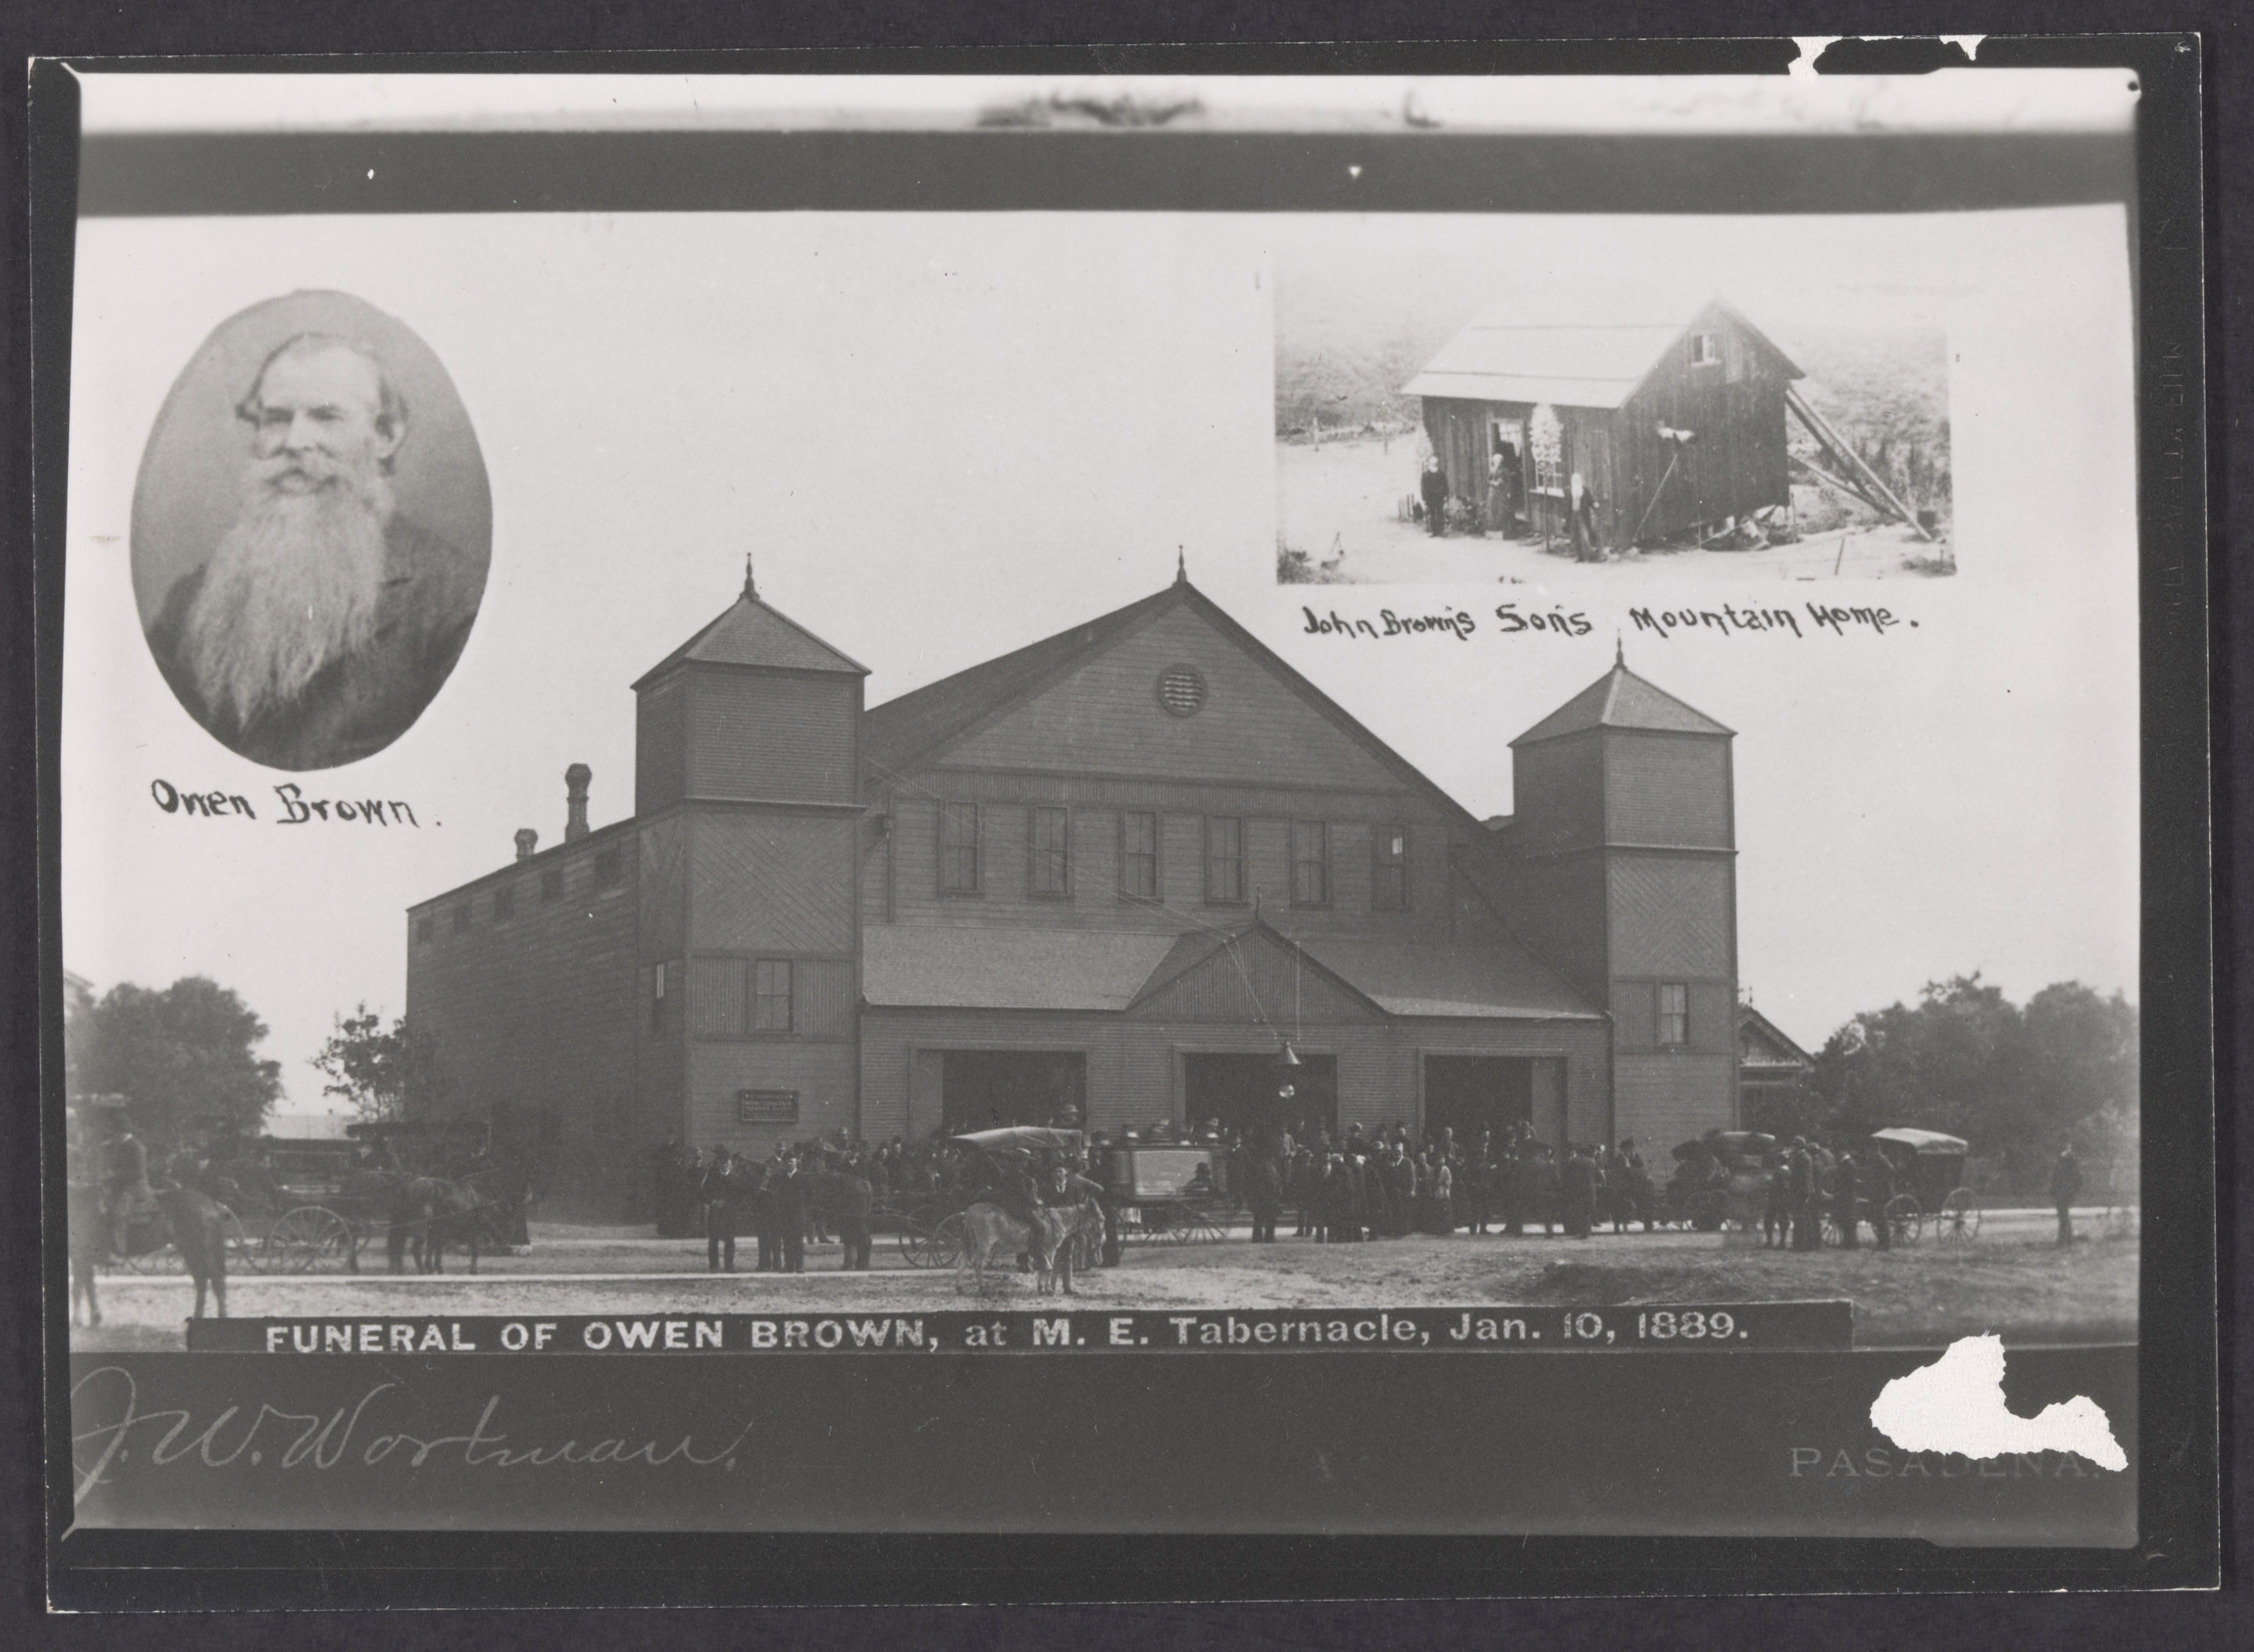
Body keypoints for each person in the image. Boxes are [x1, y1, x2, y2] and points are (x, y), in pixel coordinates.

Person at [144, 333, 483, 770]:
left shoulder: (454, 602)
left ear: (385, 436)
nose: (295, 441)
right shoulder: (190, 602)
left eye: (326, 417)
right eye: (276, 419)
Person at [105, 1125, 155, 1261]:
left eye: (115, 1133)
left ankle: (120, 1252)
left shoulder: (137, 1147)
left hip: (136, 1187)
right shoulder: (122, 1145)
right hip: (123, 1186)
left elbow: (138, 1172)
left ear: (122, 1132)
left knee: (119, 1214)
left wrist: (115, 1175)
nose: (113, 1136)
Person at [699, 1148, 740, 1272]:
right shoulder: (712, 1177)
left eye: (727, 1162)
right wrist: (714, 1202)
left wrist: (733, 1205)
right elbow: (702, 1194)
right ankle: (714, 1266)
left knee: (730, 1241)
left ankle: (729, 1266)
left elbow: (740, 1196)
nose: (725, 1164)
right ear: (719, 1163)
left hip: (729, 1213)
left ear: (731, 1164)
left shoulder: (735, 1178)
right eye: (723, 1162)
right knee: (713, 1240)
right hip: (716, 1212)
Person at [832, 1156, 874, 1271]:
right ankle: (862, 1264)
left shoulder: (845, 1182)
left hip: (851, 1214)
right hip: (861, 1214)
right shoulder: (865, 1184)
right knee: (863, 1239)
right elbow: (870, 1201)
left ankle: (849, 1264)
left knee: (849, 1240)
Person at [1560, 1144, 1598, 1239]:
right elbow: (1598, 1175)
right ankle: (1588, 1231)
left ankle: (1581, 1231)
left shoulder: (1574, 1161)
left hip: (1577, 1188)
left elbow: (1567, 1175)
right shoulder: (1592, 1162)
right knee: (1588, 1210)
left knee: (1579, 1210)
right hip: (1590, 1188)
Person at [1865, 1142, 1897, 1251]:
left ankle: (1885, 1243)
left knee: (1881, 1218)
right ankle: (1881, 1242)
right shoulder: (1875, 1160)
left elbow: (1892, 1170)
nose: (1869, 1153)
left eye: (1870, 1150)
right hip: (1876, 1192)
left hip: (1883, 1193)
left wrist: (1882, 1182)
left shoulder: (1881, 1160)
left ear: (1876, 1149)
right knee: (1877, 1218)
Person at [1567, 471, 1603, 562]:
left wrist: (1596, 505)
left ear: (1580, 481)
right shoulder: (1568, 490)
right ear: (1572, 481)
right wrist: (1565, 518)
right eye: (1574, 480)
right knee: (1574, 537)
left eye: (1578, 480)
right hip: (1572, 514)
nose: (1576, 481)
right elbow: (1566, 505)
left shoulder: (1585, 491)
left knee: (1585, 536)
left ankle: (1587, 557)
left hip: (1582, 515)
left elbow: (1591, 501)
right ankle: (1578, 557)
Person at [2051, 1145, 2083, 1247]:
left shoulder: (2069, 1157)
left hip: (2067, 1189)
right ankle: (2069, 1239)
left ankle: (2063, 1239)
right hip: (2062, 1188)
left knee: (2063, 1213)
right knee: (2063, 1213)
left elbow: (2075, 1174)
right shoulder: (2062, 1157)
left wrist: (2074, 1188)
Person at [1832, 1152, 1860, 1250]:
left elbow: (1849, 1182)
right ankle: (1849, 1242)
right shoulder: (1848, 1164)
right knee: (1847, 1220)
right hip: (1846, 1196)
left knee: (1849, 1220)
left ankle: (1851, 1243)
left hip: (1848, 1197)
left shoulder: (1849, 1165)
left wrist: (1841, 1191)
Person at [1419, 455, 1450, 538]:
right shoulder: (1426, 475)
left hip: (1439, 497)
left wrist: (1445, 495)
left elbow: (1445, 485)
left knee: (1440, 513)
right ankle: (1434, 531)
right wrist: (1425, 499)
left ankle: (1440, 530)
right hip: (1430, 498)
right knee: (1432, 514)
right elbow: (1424, 488)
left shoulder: (1440, 474)